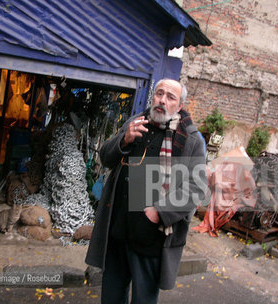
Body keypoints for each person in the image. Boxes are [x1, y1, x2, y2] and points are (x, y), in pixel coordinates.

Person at [85, 79, 207, 304]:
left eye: (171, 97)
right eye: (159, 94)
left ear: (179, 106)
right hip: (118, 230)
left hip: (151, 238)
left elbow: (196, 188)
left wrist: (161, 211)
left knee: (143, 300)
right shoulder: (136, 122)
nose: (162, 100)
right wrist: (125, 139)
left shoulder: (190, 139)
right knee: (111, 297)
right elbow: (105, 157)